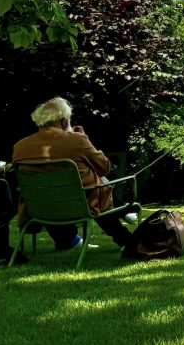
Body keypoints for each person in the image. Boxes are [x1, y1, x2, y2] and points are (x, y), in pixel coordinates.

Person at [11, 97, 134, 251]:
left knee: (53, 193)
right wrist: (83, 138)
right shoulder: (77, 140)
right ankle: (125, 238)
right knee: (99, 187)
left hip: (40, 209)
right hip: (81, 205)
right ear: (64, 121)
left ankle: (67, 240)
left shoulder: (19, 146)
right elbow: (105, 168)